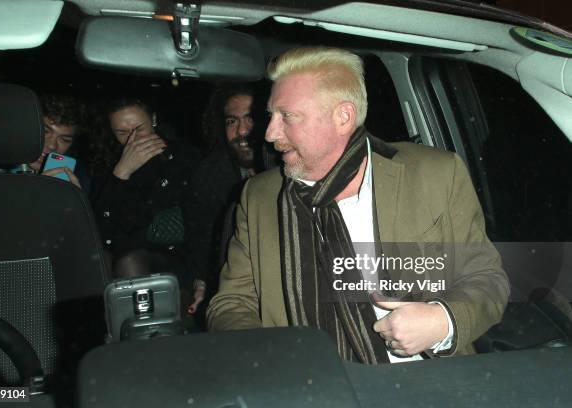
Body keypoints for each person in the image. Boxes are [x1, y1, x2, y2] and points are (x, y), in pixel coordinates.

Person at [206, 47, 510, 363]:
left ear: (343, 116)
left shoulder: (436, 173)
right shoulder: (259, 197)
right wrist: (271, 356)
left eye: (287, 116)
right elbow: (231, 303)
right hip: (309, 387)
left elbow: (486, 277)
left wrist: (442, 321)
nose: (269, 134)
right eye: (271, 116)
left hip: (427, 381)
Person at [89, 97, 197, 283]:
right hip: (122, 252)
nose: (134, 139)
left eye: (139, 128)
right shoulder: (108, 164)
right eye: (122, 133)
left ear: (153, 120)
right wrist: (121, 174)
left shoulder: (184, 156)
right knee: (99, 260)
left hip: (174, 255)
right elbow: (100, 231)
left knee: (130, 261)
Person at [183, 84, 265, 315]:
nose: (242, 131)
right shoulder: (209, 175)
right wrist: (202, 281)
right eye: (232, 121)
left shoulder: (292, 169)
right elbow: (201, 239)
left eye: (250, 118)